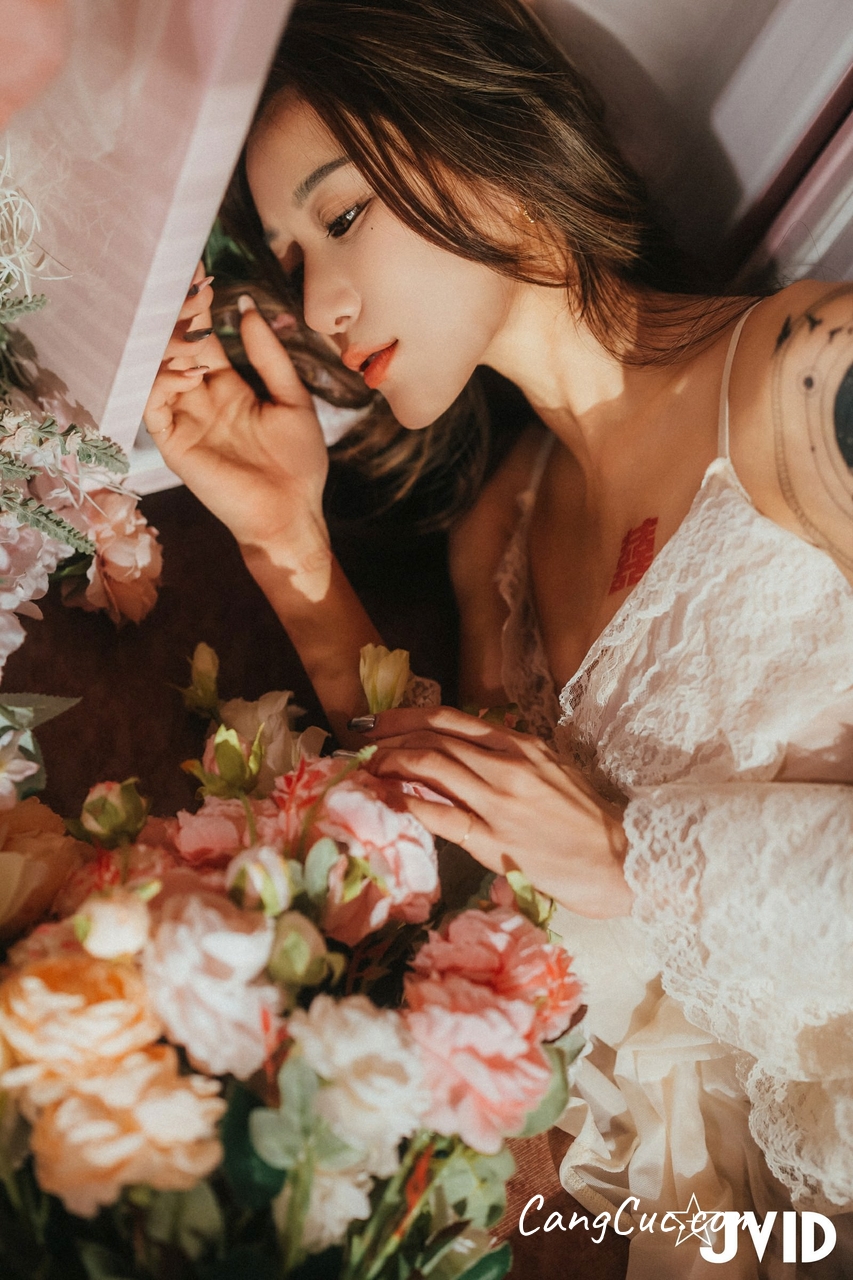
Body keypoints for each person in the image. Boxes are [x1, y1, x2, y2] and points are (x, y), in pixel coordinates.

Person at [143, 1, 853, 1274]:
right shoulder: (497, 537)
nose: (323, 304)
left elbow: (590, 871)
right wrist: (288, 545)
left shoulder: (814, 378)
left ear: (489, 134)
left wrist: (633, 859)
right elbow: (487, 883)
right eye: (294, 262)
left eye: (342, 217)